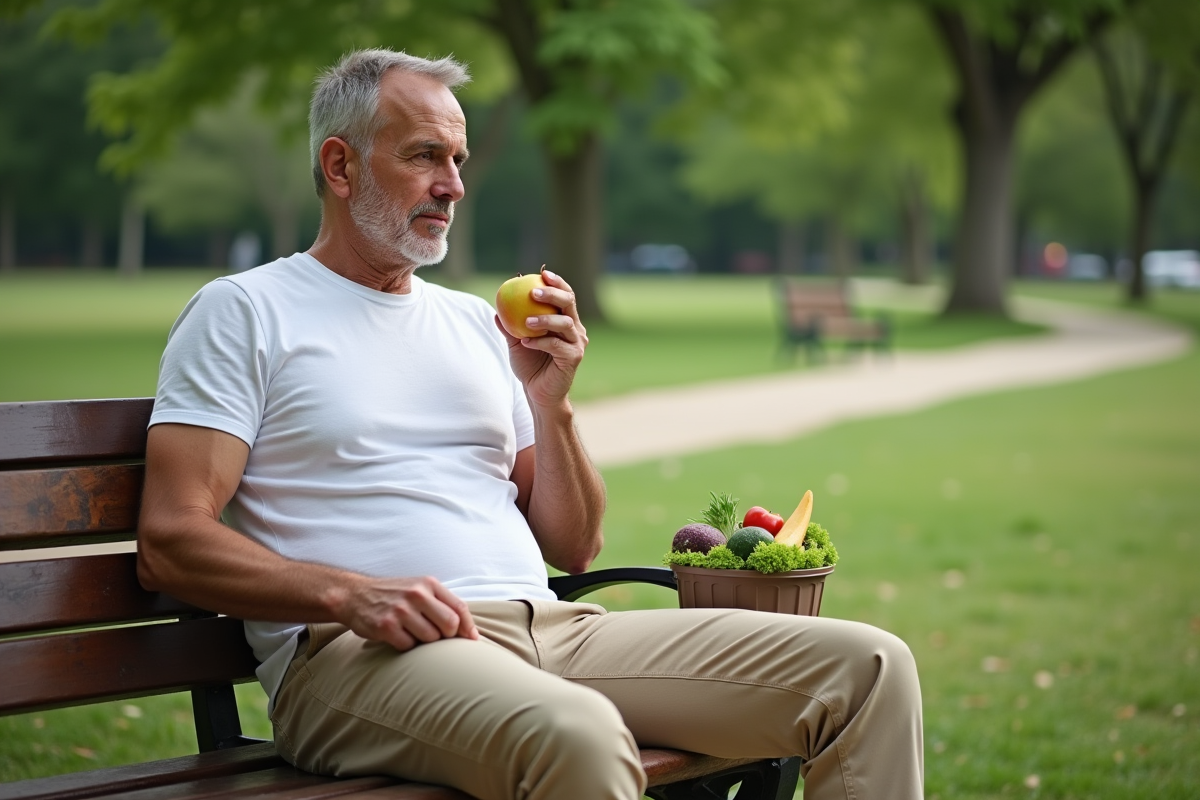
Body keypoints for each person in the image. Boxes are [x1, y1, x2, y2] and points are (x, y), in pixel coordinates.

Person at [138, 48, 923, 800]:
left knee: (870, 668)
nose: (453, 186)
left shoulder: (476, 322)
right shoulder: (245, 312)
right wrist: (349, 595)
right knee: (578, 736)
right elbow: (171, 538)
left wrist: (554, 403)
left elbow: (573, 546)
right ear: (340, 166)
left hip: (554, 628)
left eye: (459, 161)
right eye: (424, 156)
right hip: (362, 659)